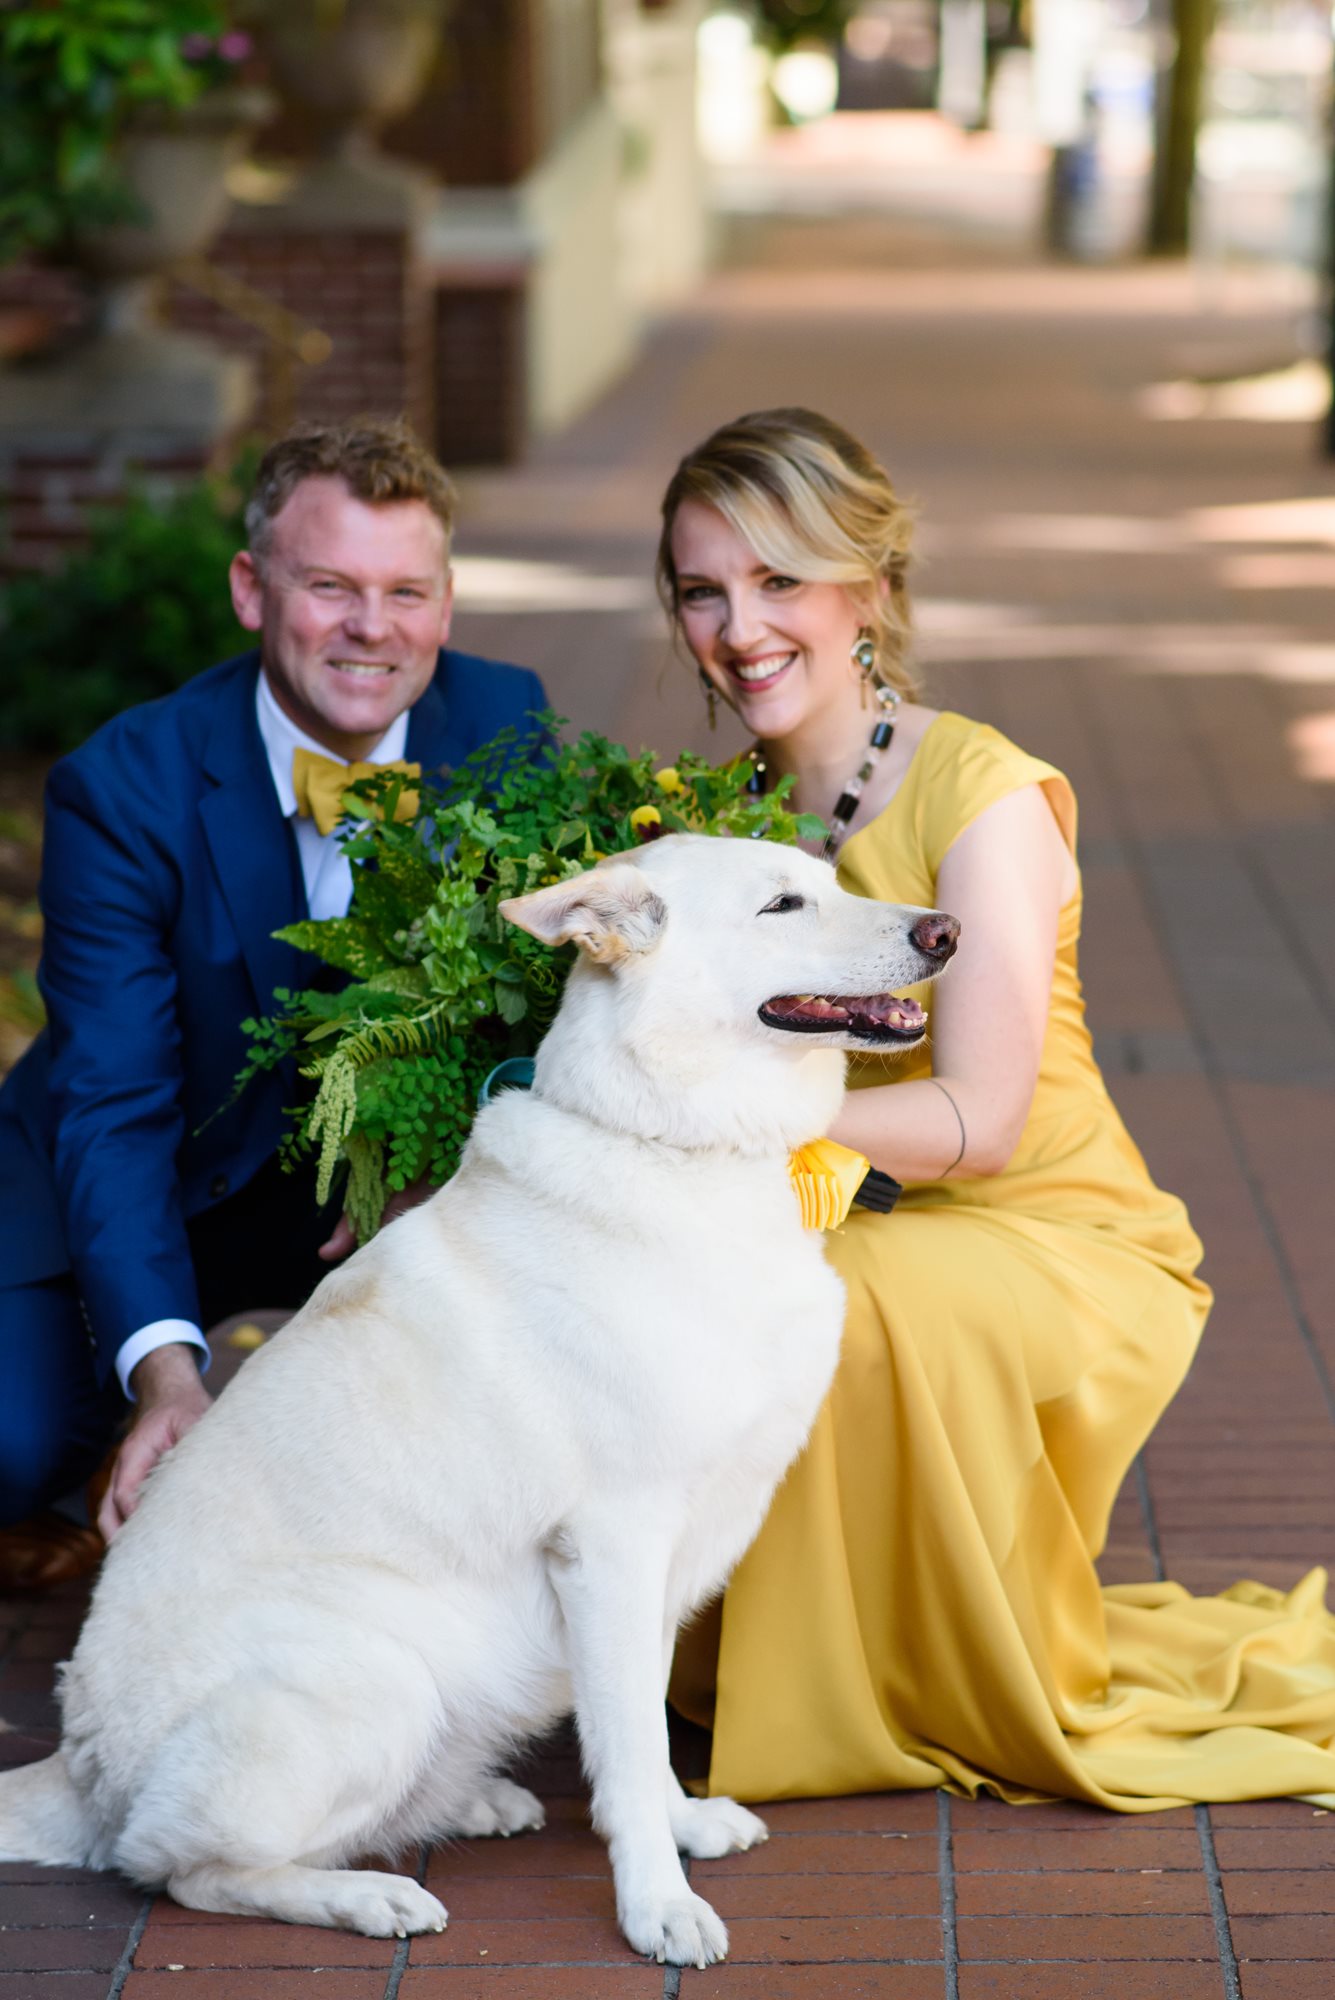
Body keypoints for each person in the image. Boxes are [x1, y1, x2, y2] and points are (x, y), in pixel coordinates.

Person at [662, 408, 1335, 1809]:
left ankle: (867, 1685)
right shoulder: (724, 818)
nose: (740, 628)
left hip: (1043, 1224)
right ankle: (755, 1652)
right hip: (852, 1197)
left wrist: (726, 1119)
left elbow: (981, 1124)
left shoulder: (982, 795)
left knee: (837, 1300)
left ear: (869, 587)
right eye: (702, 590)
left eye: (780, 579)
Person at [0, 418, 547, 1586]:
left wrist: (430, 1177)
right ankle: (90, 1449)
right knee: (13, 1435)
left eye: (406, 591)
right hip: (155, 1172)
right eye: (329, 586)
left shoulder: (509, 730)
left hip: (372, 1191)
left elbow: (540, 1022)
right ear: (253, 589)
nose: (371, 627)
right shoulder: (125, 786)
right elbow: (113, 1101)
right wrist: (165, 1373)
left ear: (446, 605)